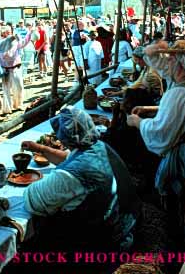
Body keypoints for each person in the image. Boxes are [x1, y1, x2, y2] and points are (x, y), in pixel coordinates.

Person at [19, 107, 140, 264]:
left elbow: (33, 200)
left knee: (39, 234)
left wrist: (37, 180)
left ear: (64, 139)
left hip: (104, 246)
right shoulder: (99, 146)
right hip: (124, 226)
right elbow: (69, 157)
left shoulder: (72, 175)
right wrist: (40, 148)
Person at [127, 39, 185, 246]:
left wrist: (138, 122)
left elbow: (161, 136)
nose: (168, 62)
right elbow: (183, 115)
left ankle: (182, 244)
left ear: (181, 63)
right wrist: (154, 50)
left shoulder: (179, 94)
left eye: (172, 58)